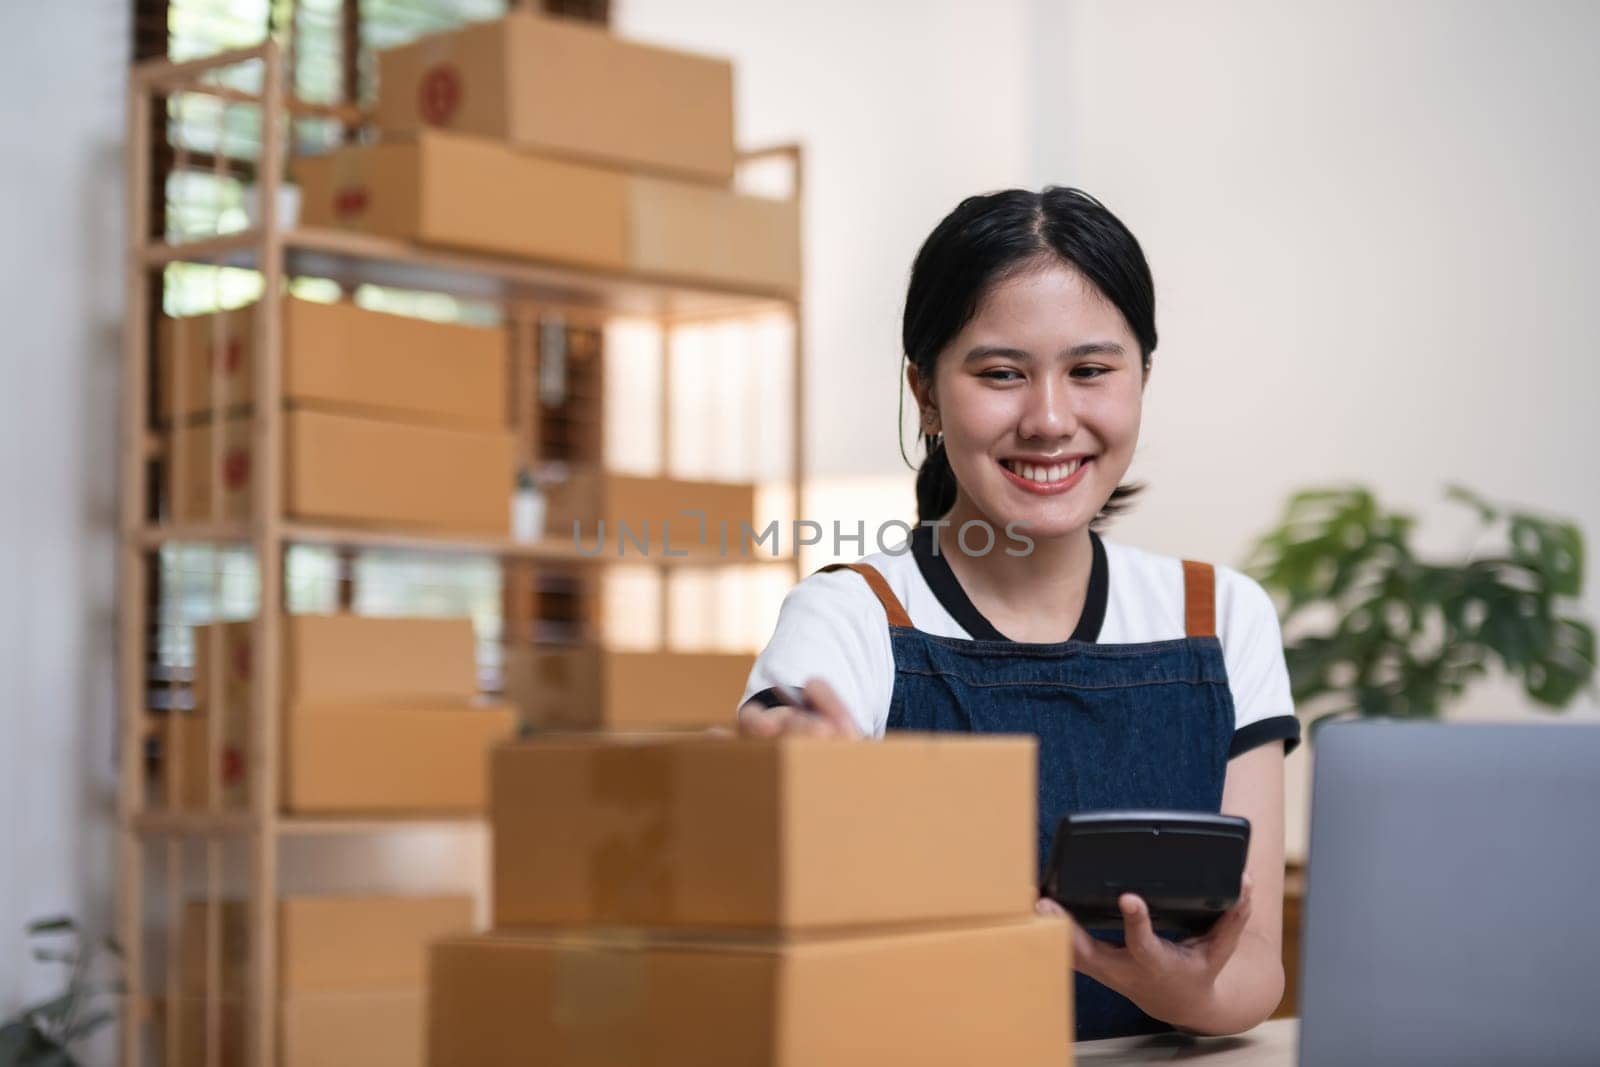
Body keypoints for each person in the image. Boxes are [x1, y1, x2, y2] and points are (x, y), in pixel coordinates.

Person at [735, 187, 1300, 1041]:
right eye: (1000, 373)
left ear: (1143, 376)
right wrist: (783, 771)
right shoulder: (850, 615)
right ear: (925, 392)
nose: (1047, 419)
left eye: (1091, 370)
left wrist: (1174, 988)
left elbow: (1254, 959)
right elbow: (768, 769)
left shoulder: (1220, 616)